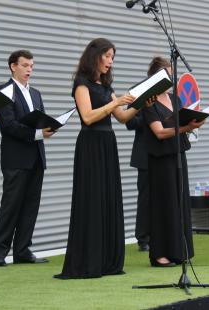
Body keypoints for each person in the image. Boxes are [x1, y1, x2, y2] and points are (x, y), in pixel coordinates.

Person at [55, 38, 152, 279]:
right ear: (95, 56)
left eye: (112, 57)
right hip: (90, 144)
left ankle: (108, 260)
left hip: (108, 144)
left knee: (108, 198)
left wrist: (141, 103)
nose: (110, 61)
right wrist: (116, 102)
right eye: (107, 56)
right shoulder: (82, 84)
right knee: (92, 199)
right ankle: (89, 261)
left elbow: (122, 117)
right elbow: (87, 117)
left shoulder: (106, 86)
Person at [0, 50, 53, 266]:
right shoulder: (4, 91)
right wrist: (37, 134)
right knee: (11, 204)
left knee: (30, 205)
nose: (29, 70)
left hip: (36, 156)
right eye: (25, 65)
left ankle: (23, 250)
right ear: (12, 66)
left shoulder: (35, 93)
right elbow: (7, 126)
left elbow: (40, 120)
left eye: (31, 66)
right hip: (15, 158)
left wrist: (50, 127)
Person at [143, 56, 204, 267]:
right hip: (160, 158)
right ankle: (159, 253)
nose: (172, 76)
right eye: (168, 72)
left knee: (179, 202)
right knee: (164, 204)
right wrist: (186, 128)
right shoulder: (149, 100)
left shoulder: (175, 99)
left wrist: (194, 122)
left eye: (172, 72)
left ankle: (179, 250)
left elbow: (181, 123)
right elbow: (159, 132)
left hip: (178, 153)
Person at [125, 113, 150, 251]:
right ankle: (143, 238)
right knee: (145, 199)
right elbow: (130, 123)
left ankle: (164, 235)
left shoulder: (171, 97)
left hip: (167, 152)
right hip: (145, 154)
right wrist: (150, 116)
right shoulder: (137, 93)